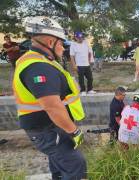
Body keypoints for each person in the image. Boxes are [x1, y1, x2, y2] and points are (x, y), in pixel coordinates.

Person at [13, 16, 87, 179]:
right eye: (61, 43)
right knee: (76, 164)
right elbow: (52, 106)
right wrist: (73, 131)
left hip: (51, 126)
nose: (63, 48)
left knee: (59, 165)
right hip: (47, 128)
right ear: (49, 41)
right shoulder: (39, 67)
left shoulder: (41, 61)